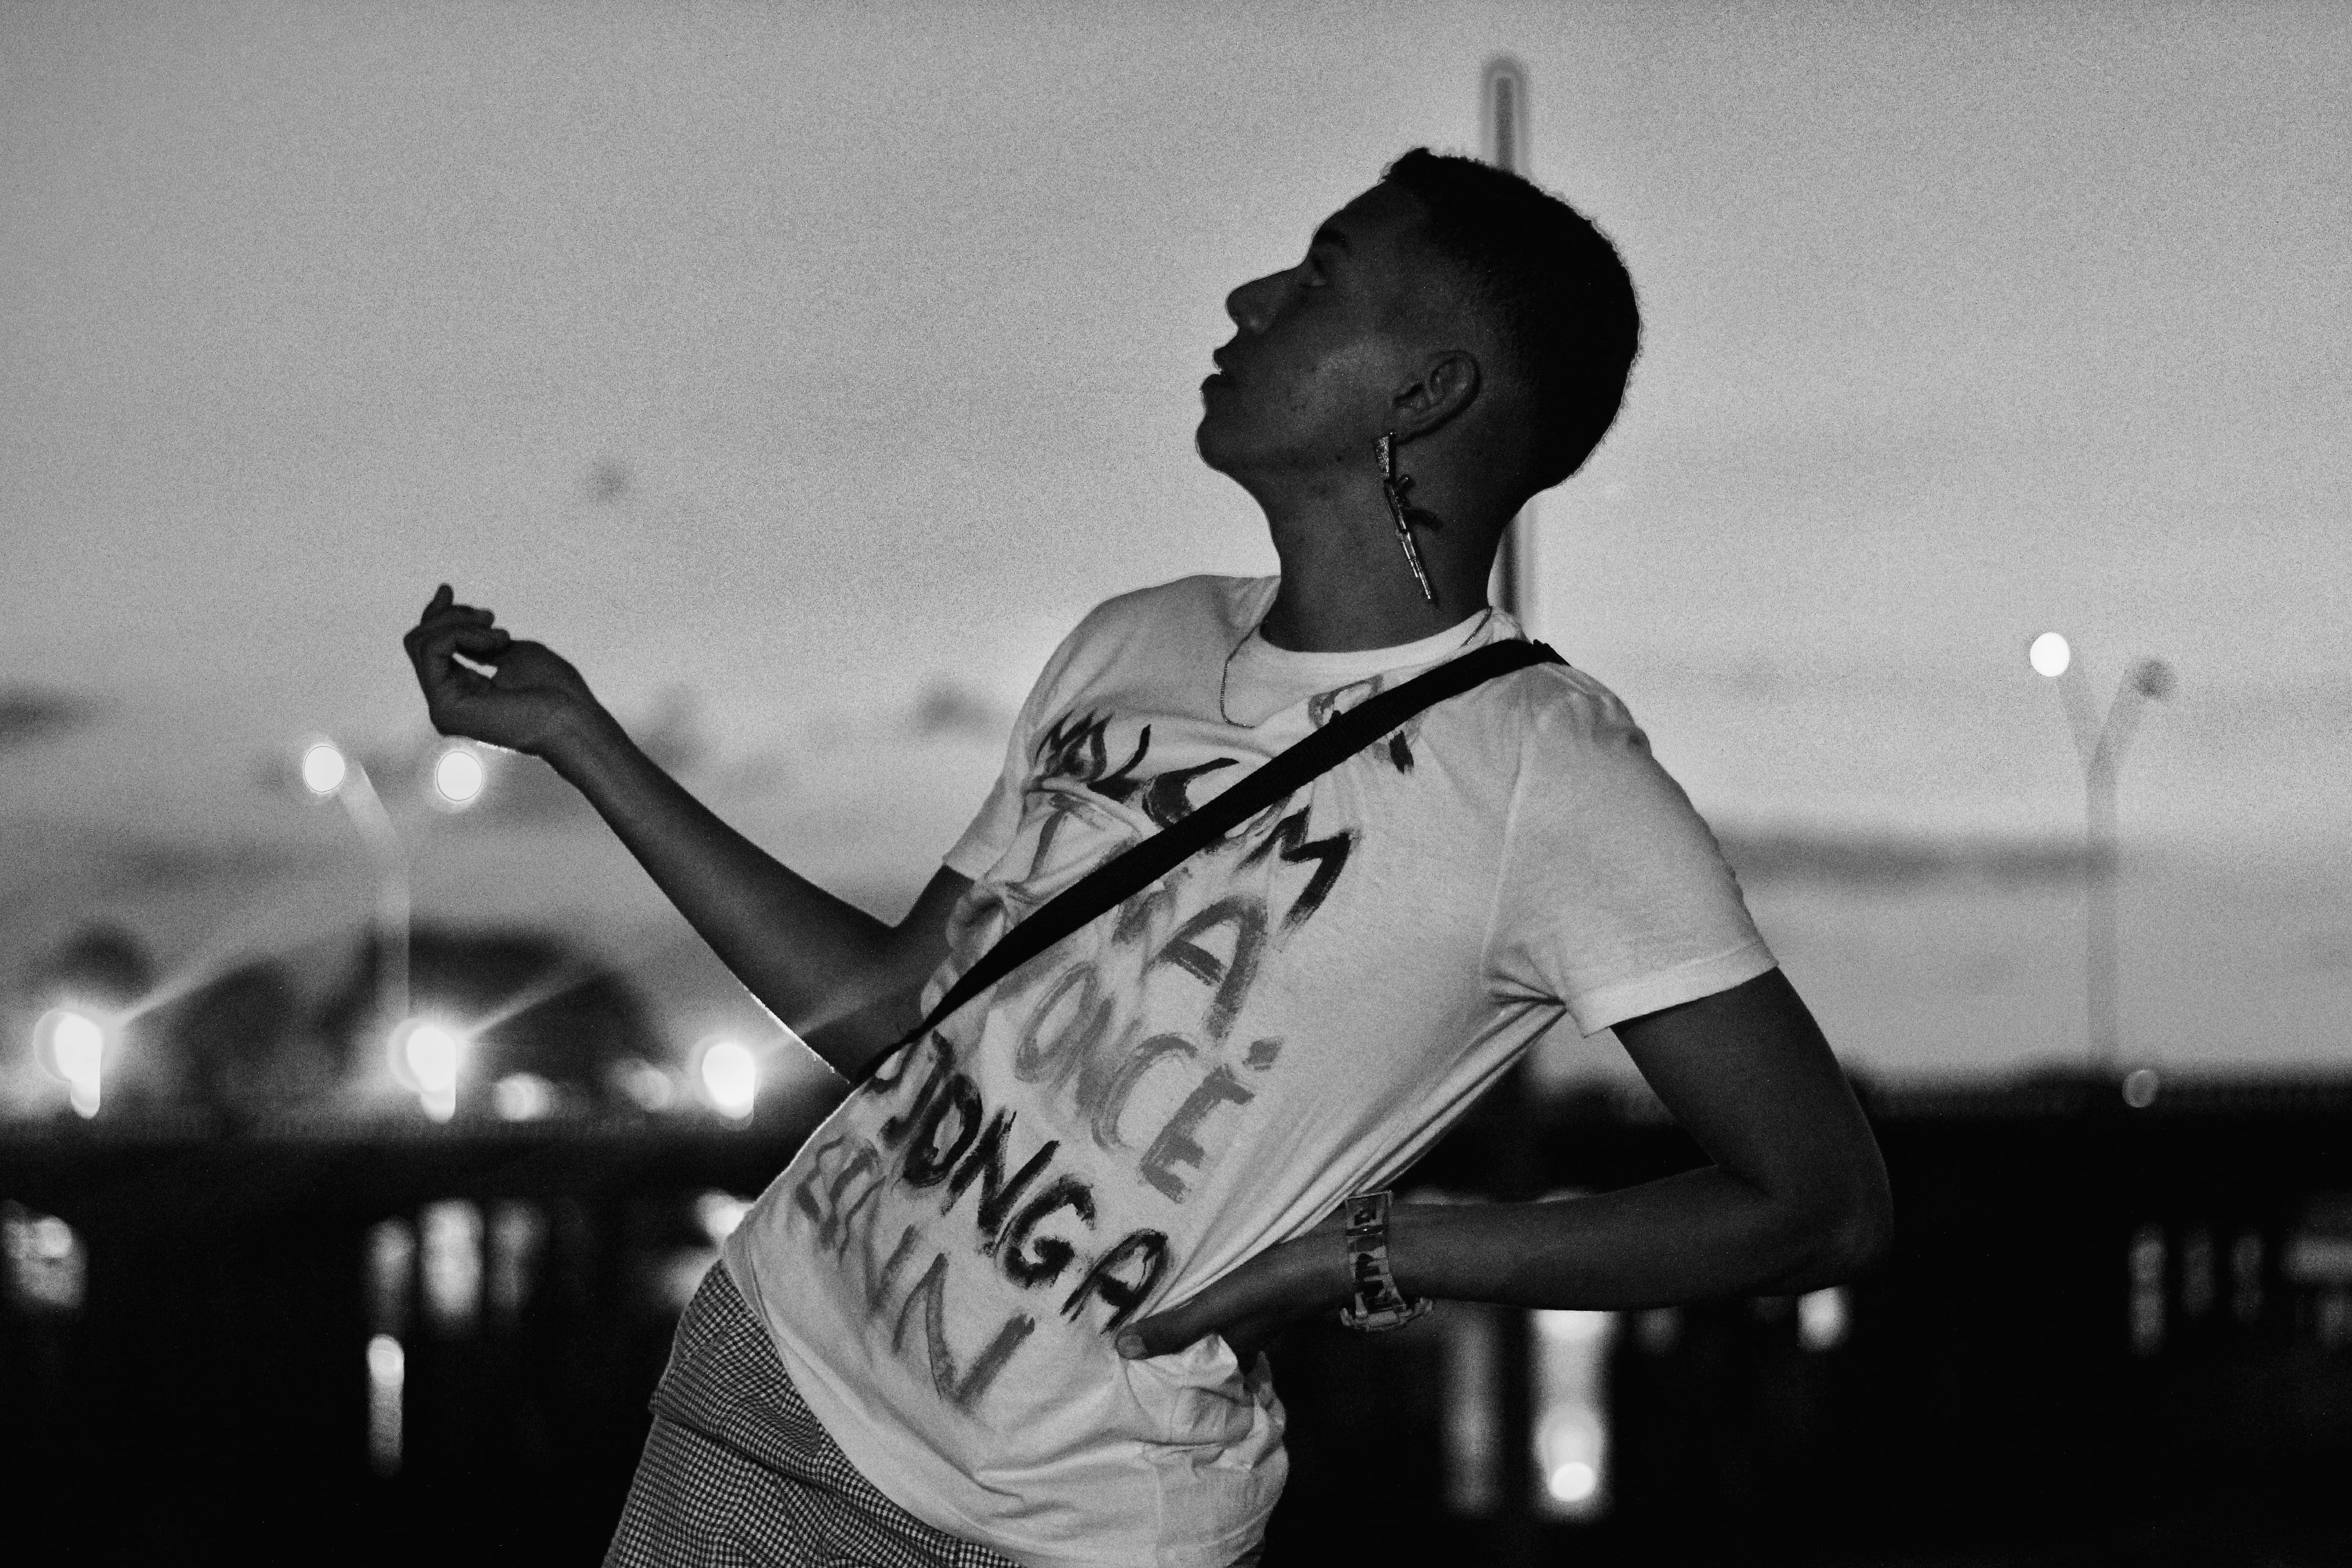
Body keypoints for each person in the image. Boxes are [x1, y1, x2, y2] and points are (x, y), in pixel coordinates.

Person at [405, 147, 1891, 1568]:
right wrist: (580, 737)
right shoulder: (1135, 642)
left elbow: (1817, 1202)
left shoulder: (1546, 774)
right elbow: (896, 1016)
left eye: (1320, 278)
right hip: (766, 1380)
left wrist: (1380, 1252)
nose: (1249, 299)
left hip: (1071, 1528)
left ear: (1427, 391)